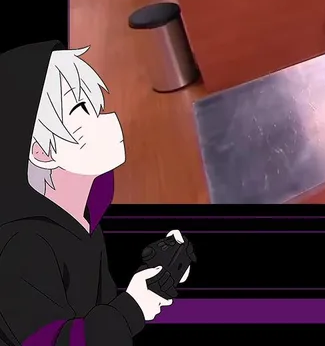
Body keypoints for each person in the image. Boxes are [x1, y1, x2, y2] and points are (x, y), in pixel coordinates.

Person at [0, 42, 190, 346]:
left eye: (94, 108)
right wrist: (132, 308)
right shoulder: (23, 248)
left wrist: (148, 284)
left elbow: (94, 311)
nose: (106, 119)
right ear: (41, 152)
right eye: (80, 110)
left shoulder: (83, 220)